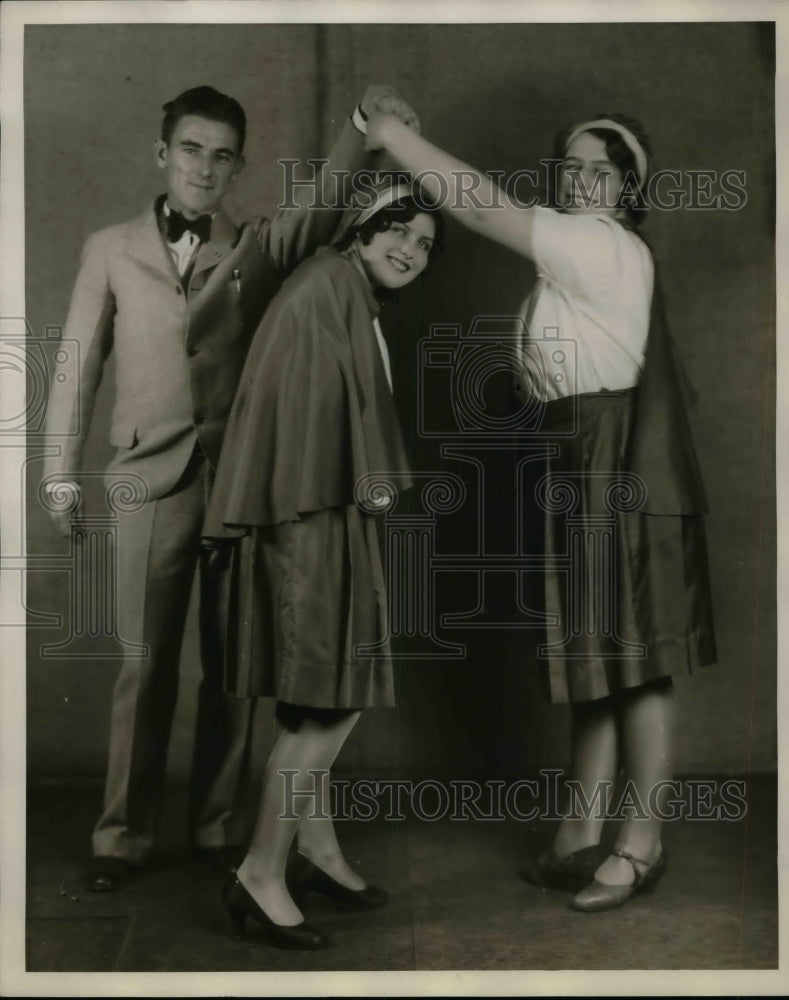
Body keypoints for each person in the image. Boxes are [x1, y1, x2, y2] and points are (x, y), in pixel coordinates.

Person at [43, 82, 420, 893]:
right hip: (145, 481)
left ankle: (216, 827)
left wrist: (361, 129)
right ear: (162, 154)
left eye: (222, 156)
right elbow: (76, 366)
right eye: (190, 149)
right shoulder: (109, 248)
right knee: (144, 667)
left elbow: (321, 208)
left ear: (238, 166)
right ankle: (121, 836)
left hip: (237, 483)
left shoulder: (254, 245)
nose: (204, 168)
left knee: (232, 669)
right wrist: (58, 475)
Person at [365, 110, 716, 912]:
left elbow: (480, 205)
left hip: (609, 451)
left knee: (634, 653)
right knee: (592, 648)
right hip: (573, 447)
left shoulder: (597, 243)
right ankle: (579, 832)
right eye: (569, 166)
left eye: (599, 169)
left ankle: (641, 841)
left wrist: (390, 133)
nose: (579, 180)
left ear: (626, 186)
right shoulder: (575, 254)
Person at [201, 179, 443, 949]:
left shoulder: (339, 288)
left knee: (320, 697)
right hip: (311, 516)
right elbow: (307, 419)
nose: (409, 249)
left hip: (315, 509)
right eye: (397, 230)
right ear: (361, 229)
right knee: (331, 699)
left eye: (424, 243)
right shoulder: (327, 285)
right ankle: (259, 873)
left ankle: (316, 851)